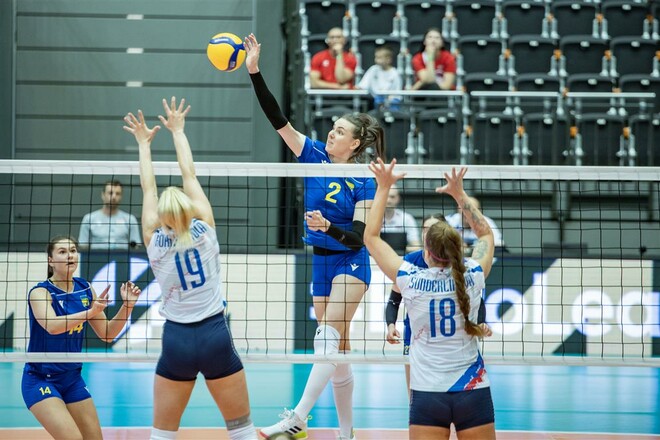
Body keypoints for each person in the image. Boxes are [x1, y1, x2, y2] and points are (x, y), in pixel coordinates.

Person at [244, 33, 386, 440]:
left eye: (340, 132)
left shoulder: (365, 179)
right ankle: (347, 433)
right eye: (333, 128)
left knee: (327, 338)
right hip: (320, 261)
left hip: (350, 261)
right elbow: (278, 119)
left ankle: (298, 418)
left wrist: (328, 227)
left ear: (354, 143)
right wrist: (254, 72)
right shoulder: (312, 155)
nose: (331, 134)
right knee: (336, 350)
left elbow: (359, 238)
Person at [123, 98, 257, 440]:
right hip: (215, 334)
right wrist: (178, 131)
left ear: (162, 217)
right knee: (241, 431)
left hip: (177, 340)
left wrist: (143, 144)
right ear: (189, 210)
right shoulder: (205, 229)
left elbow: (148, 187)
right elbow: (189, 173)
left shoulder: (152, 239)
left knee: (162, 434)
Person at [364, 160, 496, 440]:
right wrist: (460, 194)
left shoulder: (409, 278)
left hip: (427, 393)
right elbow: (485, 233)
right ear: (457, 248)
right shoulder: (474, 274)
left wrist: (383, 187)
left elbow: (371, 237)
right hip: (472, 389)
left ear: (426, 250)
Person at [21, 235, 141, 440]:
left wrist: (127, 306)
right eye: (62, 252)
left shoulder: (85, 288)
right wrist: (90, 312)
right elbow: (52, 326)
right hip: (40, 379)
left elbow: (107, 334)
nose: (70, 255)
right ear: (50, 260)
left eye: (73, 250)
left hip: (72, 379)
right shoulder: (40, 293)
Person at [78, 180, 142, 250]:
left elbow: (136, 246)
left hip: (122, 256)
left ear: (121, 196)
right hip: (97, 256)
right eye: (110, 193)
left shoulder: (130, 219)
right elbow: (82, 246)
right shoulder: (89, 219)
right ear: (103, 195)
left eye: (117, 194)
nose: (114, 197)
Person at [357, 44, 402, 110]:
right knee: (377, 100)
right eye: (376, 57)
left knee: (394, 102)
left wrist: (389, 99)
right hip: (376, 100)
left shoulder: (395, 73)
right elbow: (363, 85)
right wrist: (358, 88)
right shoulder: (373, 69)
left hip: (392, 100)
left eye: (379, 58)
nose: (376, 60)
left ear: (388, 59)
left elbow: (397, 93)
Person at [381, 183, 421, 254]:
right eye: (386, 196)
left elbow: (416, 245)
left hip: (401, 257)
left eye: (392, 197)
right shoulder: (371, 218)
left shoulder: (407, 219)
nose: (388, 200)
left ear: (398, 198)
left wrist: (403, 249)